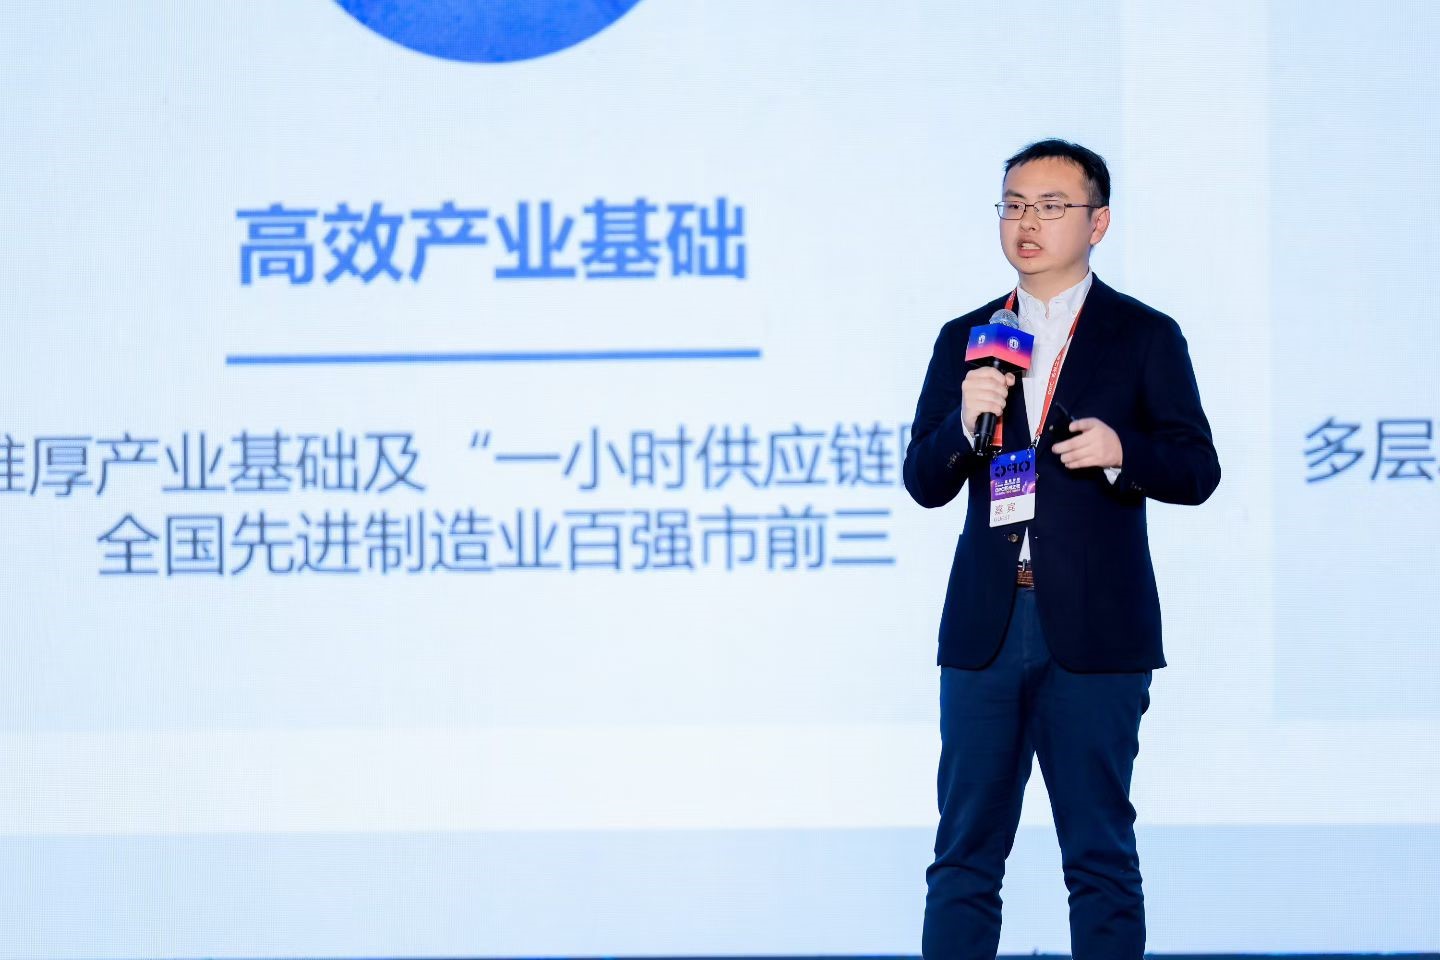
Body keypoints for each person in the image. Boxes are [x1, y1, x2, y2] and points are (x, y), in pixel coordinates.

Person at [902, 139, 1220, 960]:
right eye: (1013, 205)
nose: (1028, 223)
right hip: (987, 625)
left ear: (1097, 223)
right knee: (963, 854)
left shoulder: (1143, 335)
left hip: (1097, 628)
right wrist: (964, 424)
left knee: (1100, 853)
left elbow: (1197, 469)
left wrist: (1121, 452)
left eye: (1051, 206)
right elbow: (923, 481)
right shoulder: (967, 337)